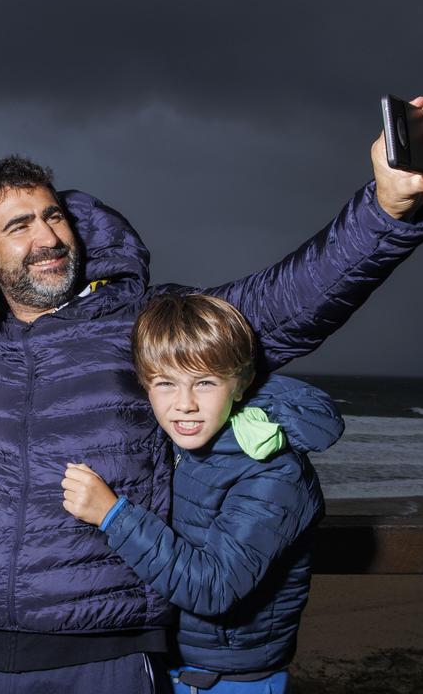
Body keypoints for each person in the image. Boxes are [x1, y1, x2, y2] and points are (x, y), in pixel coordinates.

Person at [0, 99, 423, 692]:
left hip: (102, 657)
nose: (46, 236)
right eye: (19, 225)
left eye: (52, 216)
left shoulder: (142, 322)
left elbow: (288, 302)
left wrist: (386, 210)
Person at [62, 294, 341, 693]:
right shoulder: (176, 443)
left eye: (205, 383)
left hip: (231, 681)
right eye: (165, 384)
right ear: (145, 385)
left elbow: (215, 588)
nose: (185, 405)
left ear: (241, 382)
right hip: (168, 665)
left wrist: (112, 515)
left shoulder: (274, 472)